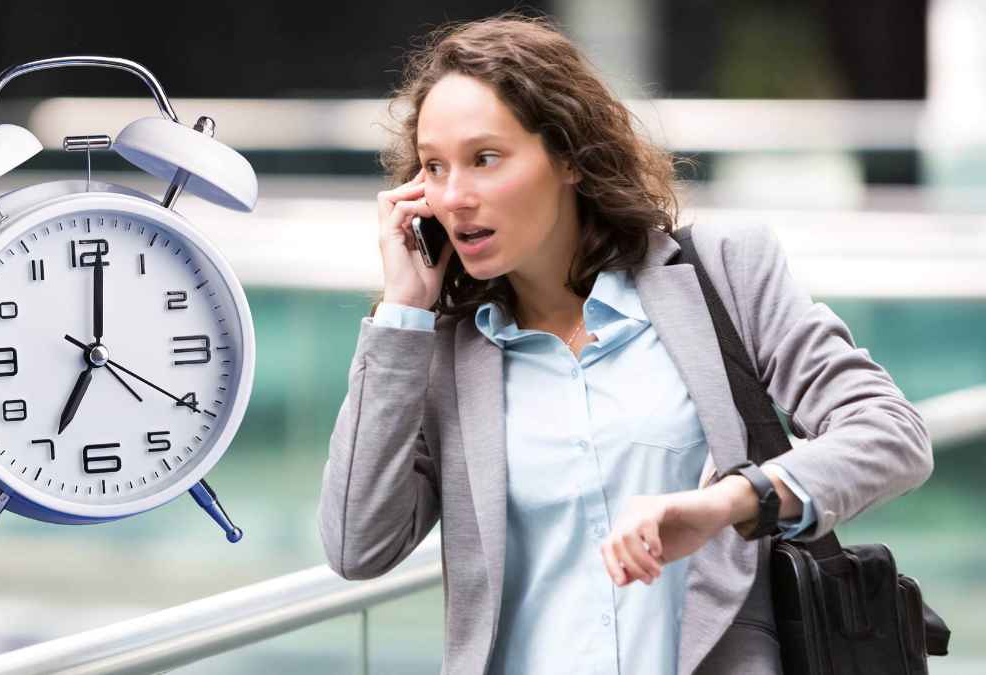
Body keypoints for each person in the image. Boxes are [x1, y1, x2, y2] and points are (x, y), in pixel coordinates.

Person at [317, 12, 933, 675]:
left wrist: (731, 501)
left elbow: (890, 433)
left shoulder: (723, 274)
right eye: (434, 168)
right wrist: (402, 313)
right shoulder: (439, 353)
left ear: (569, 160)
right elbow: (357, 543)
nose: (454, 196)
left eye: (484, 158)